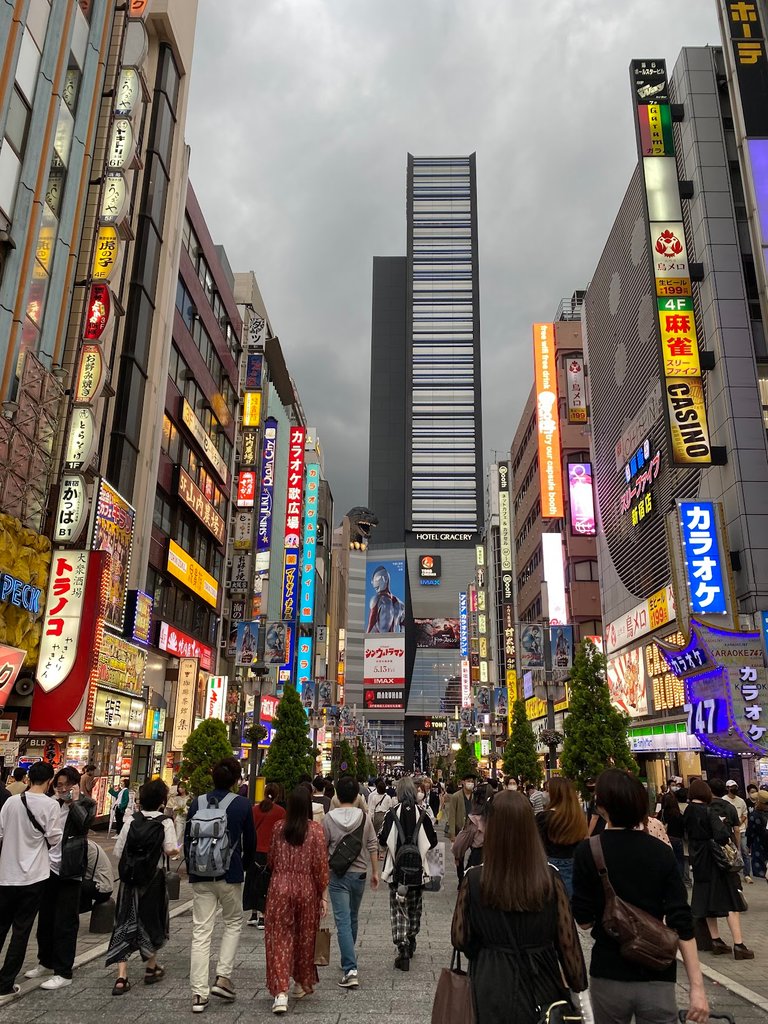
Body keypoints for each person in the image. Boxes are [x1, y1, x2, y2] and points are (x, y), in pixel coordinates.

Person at [572, 769, 709, 1024]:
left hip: (608, 971)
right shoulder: (661, 852)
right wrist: (697, 988)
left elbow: (583, 920)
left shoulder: (587, 851)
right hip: (657, 970)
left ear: (601, 807)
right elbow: (682, 921)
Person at [452, 790, 587, 1024]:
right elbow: (569, 947)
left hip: (491, 981)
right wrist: (579, 993)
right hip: (542, 983)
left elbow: (460, 938)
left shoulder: (474, 879)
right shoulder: (549, 879)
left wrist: (483, 947)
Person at [184, 757, 255, 1013]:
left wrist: (193, 867)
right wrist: (242, 867)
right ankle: (223, 977)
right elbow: (251, 843)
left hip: (200, 876)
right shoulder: (242, 805)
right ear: (237, 780)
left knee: (201, 932)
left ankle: (198, 994)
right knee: (233, 923)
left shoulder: (197, 803)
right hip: (230, 873)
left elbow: (186, 840)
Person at [107, 778, 178, 994]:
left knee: (124, 920)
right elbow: (170, 849)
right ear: (162, 801)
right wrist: (175, 850)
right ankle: (150, 967)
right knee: (152, 920)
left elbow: (118, 851)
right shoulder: (165, 822)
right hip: (153, 879)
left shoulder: (131, 821)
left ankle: (121, 977)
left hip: (129, 880)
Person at [27, 766, 96, 991]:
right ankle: (45, 961)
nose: (63, 788)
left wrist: (72, 802)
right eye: (59, 784)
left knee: (66, 921)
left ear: (76, 785)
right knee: (45, 918)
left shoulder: (86, 804)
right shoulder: (50, 802)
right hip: (47, 868)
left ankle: (63, 971)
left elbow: (84, 824)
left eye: (67, 784)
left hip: (71, 868)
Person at [0, 761, 62, 1004]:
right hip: (34, 876)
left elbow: (1, 833)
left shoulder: (11, 802)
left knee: (1, 926)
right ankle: (5, 983)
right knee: (21, 930)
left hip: (6, 874)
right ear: (49, 782)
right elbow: (55, 838)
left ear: (28, 779)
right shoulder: (51, 805)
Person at [265, 785, 329, 1014]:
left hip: (280, 888)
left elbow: (271, 859)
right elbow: (321, 865)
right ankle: (301, 983)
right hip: (307, 889)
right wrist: (323, 895)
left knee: (279, 939)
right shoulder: (316, 831)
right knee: (306, 937)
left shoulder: (278, 828)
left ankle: (280, 993)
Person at [683, 778, 753, 959]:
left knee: (707, 901)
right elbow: (722, 835)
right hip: (716, 862)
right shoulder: (708, 811)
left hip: (698, 861)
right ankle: (739, 945)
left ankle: (716, 941)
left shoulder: (688, 811)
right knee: (731, 901)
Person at [322, 774, 379, 988]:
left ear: (337, 793)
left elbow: (322, 848)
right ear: (357, 795)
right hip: (360, 874)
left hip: (337, 875)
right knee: (352, 917)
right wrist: (375, 871)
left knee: (343, 921)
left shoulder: (328, 818)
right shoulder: (364, 818)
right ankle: (349, 957)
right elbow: (373, 844)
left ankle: (350, 968)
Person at [379, 776, 437, 971]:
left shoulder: (391, 814)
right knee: (414, 907)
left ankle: (402, 946)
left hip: (397, 872)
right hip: (418, 872)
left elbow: (382, 839)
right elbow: (434, 841)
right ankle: (411, 937)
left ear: (398, 792)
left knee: (398, 909)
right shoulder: (423, 813)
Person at [535, 776, 586, 896]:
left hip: (550, 865)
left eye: (547, 790)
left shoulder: (544, 817)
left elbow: (537, 844)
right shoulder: (577, 817)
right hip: (574, 864)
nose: (544, 794)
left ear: (556, 794)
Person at [247, 783, 286, 928]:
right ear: (277, 795)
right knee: (267, 883)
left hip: (254, 851)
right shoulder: (281, 812)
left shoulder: (254, 810)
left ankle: (253, 914)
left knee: (254, 881)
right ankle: (264, 916)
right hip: (271, 852)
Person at [445, 773, 475, 885]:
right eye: (468, 780)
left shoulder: (475, 796)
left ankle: (470, 876)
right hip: (460, 830)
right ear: (462, 782)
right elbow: (452, 815)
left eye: (472, 781)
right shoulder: (456, 796)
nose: (470, 783)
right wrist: (452, 834)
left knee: (475, 854)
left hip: (474, 830)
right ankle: (460, 879)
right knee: (459, 857)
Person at [452, 783, 490, 872]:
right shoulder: (498, 815)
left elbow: (459, 844)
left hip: (478, 859)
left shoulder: (475, 819)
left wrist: (458, 855)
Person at [724, 780, 752, 884]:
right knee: (731, 852)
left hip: (741, 829)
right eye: (732, 787)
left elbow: (745, 813)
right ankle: (733, 873)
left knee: (744, 851)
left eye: (735, 787)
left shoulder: (741, 801)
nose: (734, 789)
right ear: (727, 788)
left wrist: (740, 822)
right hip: (730, 831)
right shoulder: (724, 801)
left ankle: (747, 874)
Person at [365, 564, 405, 633]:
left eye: (377, 578)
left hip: (384, 641)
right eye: (373, 580)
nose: (373, 583)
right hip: (389, 641)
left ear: (385, 579)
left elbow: (370, 625)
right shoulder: (401, 605)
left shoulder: (377, 599)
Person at [659, 791, 686, 878]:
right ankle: (680, 879)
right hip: (678, 839)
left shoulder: (662, 813)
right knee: (680, 861)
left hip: (665, 838)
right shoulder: (678, 814)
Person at [746, 788, 768, 880]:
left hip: (759, 845)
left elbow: (750, 832)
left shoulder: (754, 815)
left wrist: (748, 844)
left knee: (760, 871)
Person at [165, 782, 191, 848]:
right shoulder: (176, 798)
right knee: (178, 835)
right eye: (179, 787)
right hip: (179, 818)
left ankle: (185, 851)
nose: (180, 789)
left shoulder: (189, 797)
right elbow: (174, 808)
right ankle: (177, 851)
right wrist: (178, 809)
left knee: (186, 835)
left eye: (182, 787)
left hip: (187, 818)